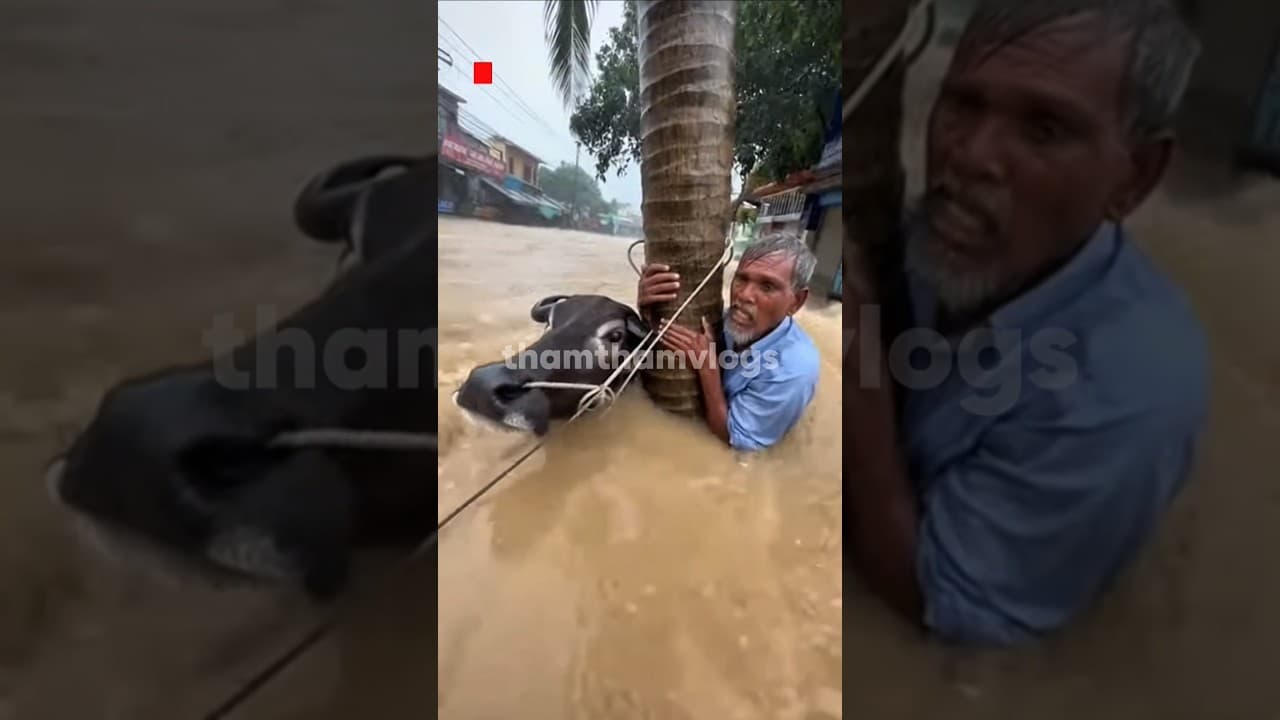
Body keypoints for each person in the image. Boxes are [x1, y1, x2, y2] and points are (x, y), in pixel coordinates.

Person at [844, 0, 1209, 645]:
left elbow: (937, 600)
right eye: (963, 104)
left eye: (1043, 129)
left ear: (1136, 176)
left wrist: (857, 374)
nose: (970, 156)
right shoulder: (922, 243)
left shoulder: (1126, 395)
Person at [637, 233, 822, 451]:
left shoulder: (793, 369)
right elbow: (665, 344)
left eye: (767, 286)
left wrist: (708, 370)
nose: (744, 295)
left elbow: (737, 441)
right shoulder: (725, 319)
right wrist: (649, 311)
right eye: (742, 279)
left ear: (796, 302)